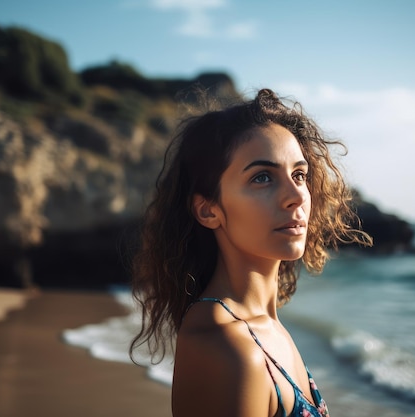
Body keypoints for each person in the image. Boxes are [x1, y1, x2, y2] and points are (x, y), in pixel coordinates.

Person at [130, 88, 371, 417]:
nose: (296, 196)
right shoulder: (225, 345)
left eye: (299, 175)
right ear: (208, 211)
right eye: (262, 177)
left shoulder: (265, 326)